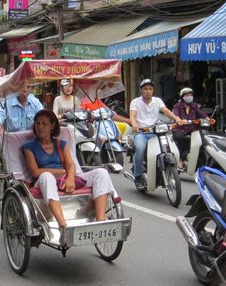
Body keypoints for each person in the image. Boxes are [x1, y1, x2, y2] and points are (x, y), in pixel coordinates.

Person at [23, 110, 117, 243]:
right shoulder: (29, 147)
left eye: (44, 123)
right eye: (37, 123)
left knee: (102, 173)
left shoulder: (61, 144)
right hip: (42, 182)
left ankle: (100, 222)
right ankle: (63, 226)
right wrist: (60, 172)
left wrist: (70, 178)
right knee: (46, 176)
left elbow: (70, 165)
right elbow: (34, 172)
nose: (40, 127)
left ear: (52, 126)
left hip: (65, 179)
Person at [129, 78, 186, 189]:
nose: (148, 91)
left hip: (156, 132)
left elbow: (166, 111)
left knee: (168, 146)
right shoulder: (135, 102)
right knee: (140, 149)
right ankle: (138, 176)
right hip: (141, 133)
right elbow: (132, 115)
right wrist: (134, 124)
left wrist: (176, 118)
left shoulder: (157, 101)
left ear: (153, 90)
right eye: (145, 89)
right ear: (141, 90)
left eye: (150, 89)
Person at [171, 87, 211, 170]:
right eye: (187, 95)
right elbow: (176, 115)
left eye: (190, 95)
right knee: (180, 138)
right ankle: (179, 159)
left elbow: (201, 114)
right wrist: (179, 120)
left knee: (202, 138)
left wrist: (207, 119)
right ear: (182, 97)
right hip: (180, 129)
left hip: (192, 129)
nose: (189, 97)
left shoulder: (194, 105)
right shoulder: (177, 106)